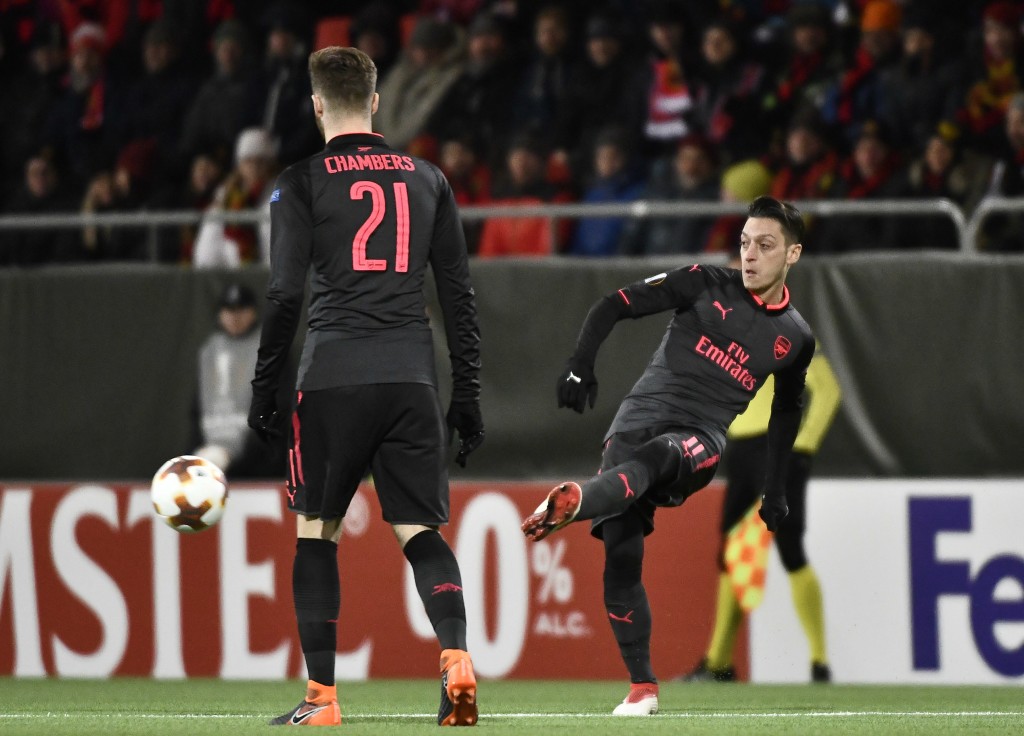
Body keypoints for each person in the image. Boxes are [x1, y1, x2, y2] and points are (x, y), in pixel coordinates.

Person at [248, 46, 483, 727]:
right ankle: (456, 660)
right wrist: (465, 394)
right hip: (411, 374)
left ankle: (321, 700)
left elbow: (286, 294)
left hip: (333, 377)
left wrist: (265, 388)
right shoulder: (429, 178)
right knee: (420, 532)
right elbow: (459, 297)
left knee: (316, 533)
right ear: (376, 102)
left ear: (316, 104)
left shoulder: (300, 182)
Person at [521, 195, 815, 716]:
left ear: (792, 255)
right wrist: (579, 364)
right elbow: (612, 304)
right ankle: (643, 690)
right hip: (631, 426)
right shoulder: (703, 281)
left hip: (699, 438)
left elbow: (787, 412)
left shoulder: (794, 337)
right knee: (622, 559)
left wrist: (776, 489)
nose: (749, 255)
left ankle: (579, 500)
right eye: (745, 242)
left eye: (765, 246)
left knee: (662, 456)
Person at [681, 336, 841, 684]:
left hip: (777, 447)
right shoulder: (735, 331)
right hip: (741, 451)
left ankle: (820, 662)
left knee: (790, 549)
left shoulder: (791, 332)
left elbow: (828, 390)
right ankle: (719, 664)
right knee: (730, 553)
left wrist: (803, 445)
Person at [193, 282, 286, 479]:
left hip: (259, 462)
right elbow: (196, 408)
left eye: (241, 309)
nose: (235, 317)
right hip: (210, 453)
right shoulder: (209, 351)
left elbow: (277, 408)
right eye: (229, 310)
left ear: (253, 312)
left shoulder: (268, 348)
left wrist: (241, 457)